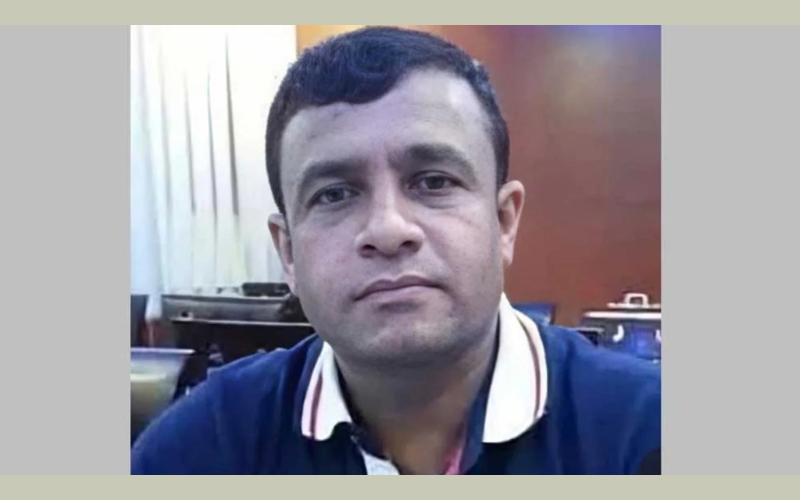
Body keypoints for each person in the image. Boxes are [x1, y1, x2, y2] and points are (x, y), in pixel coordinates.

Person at [131, 26, 660, 475]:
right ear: (288, 253)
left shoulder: (647, 433)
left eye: (433, 181)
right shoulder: (201, 447)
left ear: (504, 222)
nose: (388, 229)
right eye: (334, 194)